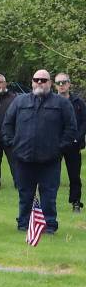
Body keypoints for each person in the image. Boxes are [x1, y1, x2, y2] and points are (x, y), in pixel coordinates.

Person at [2, 70, 77, 233]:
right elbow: (7, 124)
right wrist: (13, 143)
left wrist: (59, 148)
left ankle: (49, 225)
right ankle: (23, 224)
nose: (40, 83)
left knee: (49, 195)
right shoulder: (19, 102)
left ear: (50, 83)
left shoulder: (62, 104)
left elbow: (71, 129)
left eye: (44, 80)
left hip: (50, 160)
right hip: (23, 158)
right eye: (37, 80)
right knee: (25, 194)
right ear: (32, 82)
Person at [54, 73, 85, 212]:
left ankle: (76, 202)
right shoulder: (51, 101)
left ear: (69, 84)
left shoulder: (79, 102)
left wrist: (78, 137)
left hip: (73, 144)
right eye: (58, 83)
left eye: (64, 82)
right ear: (55, 85)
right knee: (52, 174)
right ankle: (49, 202)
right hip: (55, 144)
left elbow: (84, 122)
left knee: (74, 175)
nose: (61, 85)